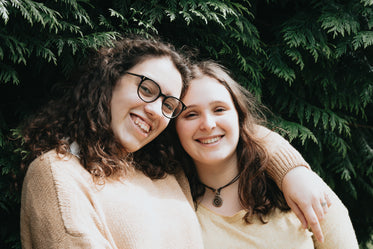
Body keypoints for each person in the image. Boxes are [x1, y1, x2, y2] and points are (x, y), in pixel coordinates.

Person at [21, 36, 329, 248]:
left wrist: (292, 171)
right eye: (148, 89)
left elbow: (226, 132)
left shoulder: (163, 172)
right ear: (111, 79)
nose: (155, 110)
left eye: (169, 105)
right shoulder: (57, 175)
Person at [172, 60, 359, 248]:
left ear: (239, 116)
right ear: (174, 128)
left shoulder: (300, 188)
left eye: (219, 109)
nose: (208, 124)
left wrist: (291, 170)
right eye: (191, 115)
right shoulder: (172, 205)